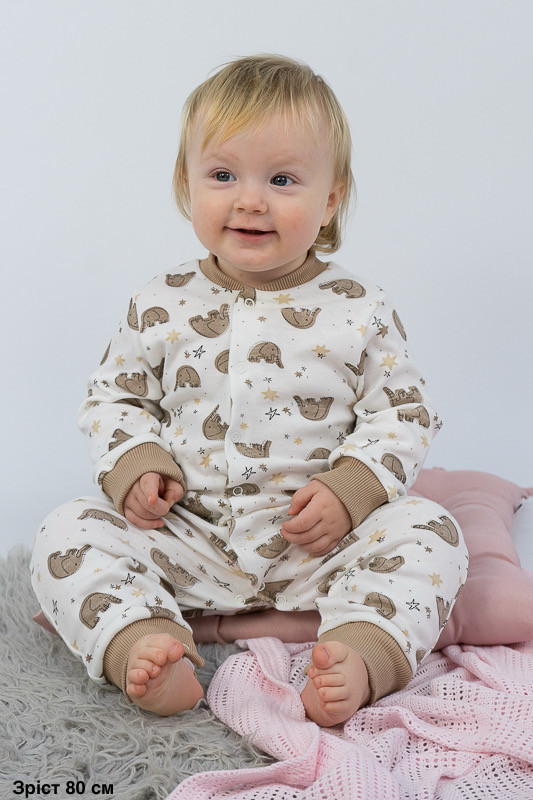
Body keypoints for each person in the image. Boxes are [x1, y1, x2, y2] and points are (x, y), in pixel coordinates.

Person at [31, 54, 468, 726]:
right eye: (223, 175)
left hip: (318, 550)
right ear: (187, 184)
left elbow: (404, 413)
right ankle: (143, 642)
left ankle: (359, 654)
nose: (250, 200)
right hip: (188, 540)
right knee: (65, 531)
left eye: (282, 179)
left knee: (432, 531)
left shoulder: (358, 307)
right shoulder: (161, 302)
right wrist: (136, 464)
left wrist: (352, 489)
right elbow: (115, 398)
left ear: (330, 199)